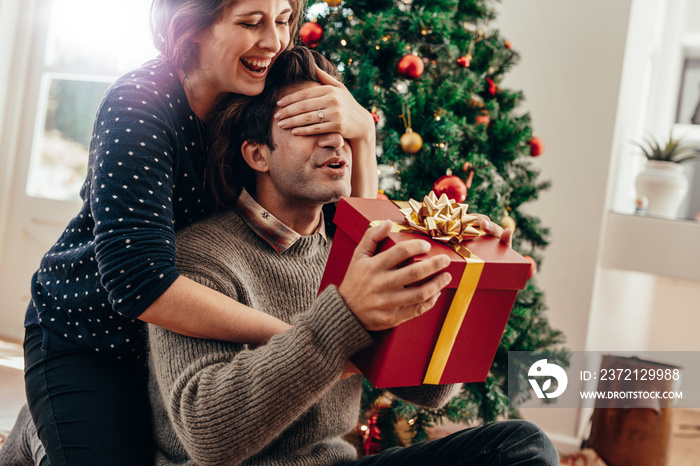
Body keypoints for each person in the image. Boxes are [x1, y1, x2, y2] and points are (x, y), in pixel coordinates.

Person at [148, 45, 558, 466]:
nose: (334, 142)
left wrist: (465, 271)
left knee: (523, 447)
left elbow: (431, 391)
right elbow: (206, 437)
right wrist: (344, 314)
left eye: (341, 126)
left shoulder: (350, 250)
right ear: (257, 153)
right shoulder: (199, 256)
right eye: (310, 125)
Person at [15, 1, 385, 465]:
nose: (274, 41)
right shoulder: (140, 104)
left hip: (180, 340)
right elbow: (139, 284)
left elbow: (341, 227)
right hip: (94, 337)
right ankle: (40, 427)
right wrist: (307, 339)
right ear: (190, 28)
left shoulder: (260, 87)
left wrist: (363, 137)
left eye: (285, 20)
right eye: (251, 22)